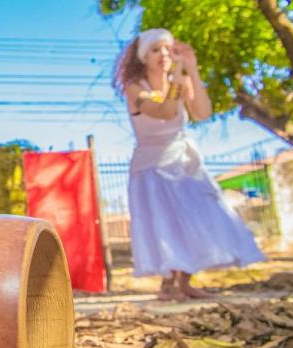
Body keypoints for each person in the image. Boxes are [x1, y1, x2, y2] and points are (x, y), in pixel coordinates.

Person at [112, 28, 265, 300]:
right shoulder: (135, 87)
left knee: (196, 216)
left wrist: (191, 70)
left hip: (183, 161)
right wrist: (177, 81)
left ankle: (185, 279)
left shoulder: (179, 81)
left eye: (168, 49)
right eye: (156, 50)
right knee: (164, 222)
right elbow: (165, 111)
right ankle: (169, 283)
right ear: (143, 57)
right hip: (151, 164)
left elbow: (202, 112)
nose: (164, 55)